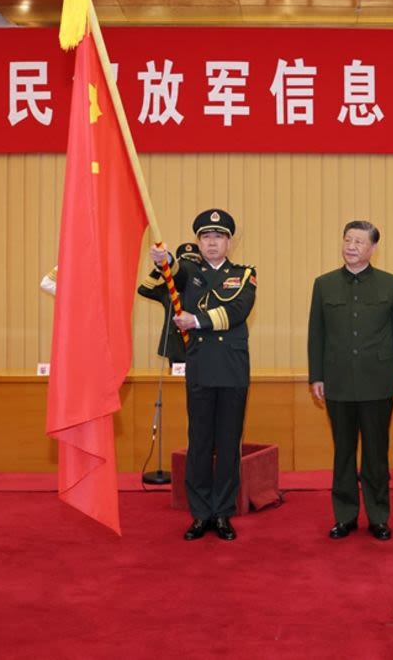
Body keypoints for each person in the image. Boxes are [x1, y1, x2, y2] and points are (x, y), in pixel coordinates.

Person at [149, 210, 256, 541]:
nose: (212, 242)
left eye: (219, 237)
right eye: (206, 237)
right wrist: (163, 258)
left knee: (227, 445)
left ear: (229, 242)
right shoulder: (189, 272)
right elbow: (171, 272)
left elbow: (238, 311)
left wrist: (196, 321)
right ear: (198, 241)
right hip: (200, 367)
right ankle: (200, 514)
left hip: (232, 370)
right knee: (199, 444)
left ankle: (222, 513)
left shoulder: (244, 274)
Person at [308, 220, 393, 541]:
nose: (351, 246)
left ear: (373, 248)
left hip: (377, 381)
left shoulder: (390, 284)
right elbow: (317, 333)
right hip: (337, 381)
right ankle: (345, 516)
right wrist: (317, 376)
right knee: (343, 452)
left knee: (376, 454)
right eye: (347, 240)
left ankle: (379, 516)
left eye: (359, 242)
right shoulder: (324, 284)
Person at [138, 242, 202, 363]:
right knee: (175, 380)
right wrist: (159, 269)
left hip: (197, 340)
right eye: (185, 261)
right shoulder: (168, 288)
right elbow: (144, 290)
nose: (189, 265)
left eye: (194, 260)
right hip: (175, 343)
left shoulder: (205, 285)